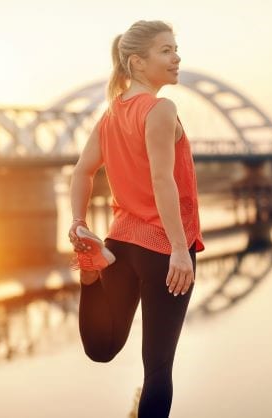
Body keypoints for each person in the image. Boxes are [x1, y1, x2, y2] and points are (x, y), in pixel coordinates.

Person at [68, 19, 205, 418]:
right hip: (162, 248)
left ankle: (90, 275)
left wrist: (78, 222)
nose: (176, 57)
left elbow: (81, 171)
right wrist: (179, 249)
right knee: (158, 369)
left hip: (118, 245)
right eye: (166, 50)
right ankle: (94, 272)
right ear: (137, 62)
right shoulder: (161, 109)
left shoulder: (113, 113)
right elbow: (162, 180)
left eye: (176, 49)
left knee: (103, 347)